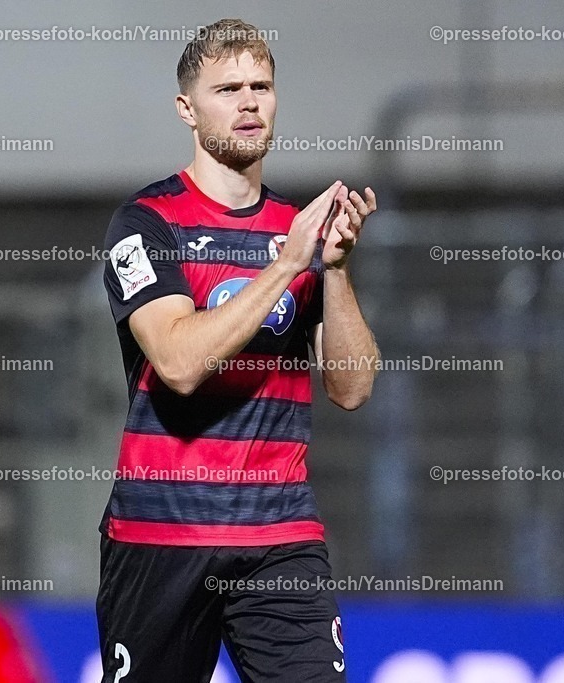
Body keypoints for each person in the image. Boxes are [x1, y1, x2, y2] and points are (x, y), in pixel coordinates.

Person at [98, 18, 379, 682]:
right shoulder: (146, 224)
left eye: (262, 86)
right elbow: (178, 361)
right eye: (228, 89)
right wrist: (284, 268)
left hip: (279, 537)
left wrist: (334, 269)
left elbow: (353, 387)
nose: (249, 102)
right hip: (161, 536)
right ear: (187, 110)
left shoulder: (301, 231)